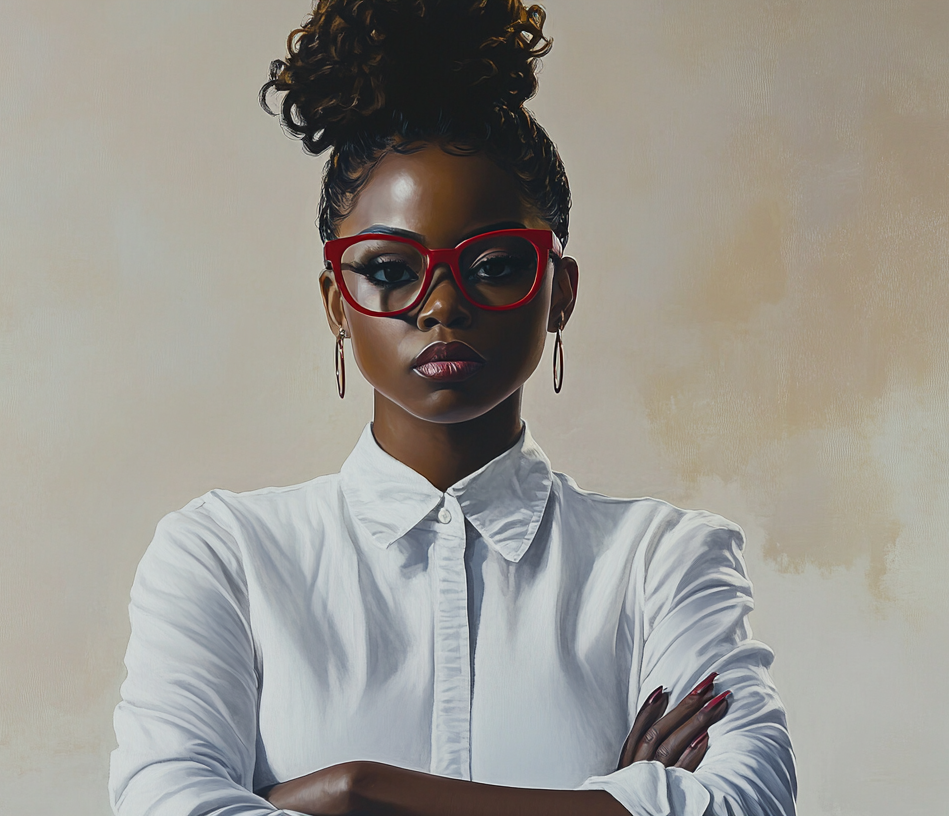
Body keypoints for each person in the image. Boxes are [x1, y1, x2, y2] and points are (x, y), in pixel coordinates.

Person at [108, 2, 797, 814]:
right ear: (337, 302)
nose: (440, 305)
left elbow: (748, 803)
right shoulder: (224, 558)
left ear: (558, 292)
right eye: (391, 270)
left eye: (495, 264)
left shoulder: (663, 561)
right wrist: (611, 802)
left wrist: (348, 791)